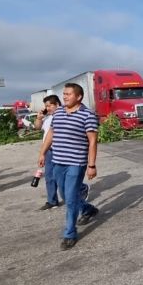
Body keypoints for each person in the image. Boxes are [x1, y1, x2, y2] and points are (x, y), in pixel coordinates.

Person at [38, 83, 100, 250]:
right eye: (64, 94)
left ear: (78, 97)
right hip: (58, 160)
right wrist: (42, 152)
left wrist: (91, 165)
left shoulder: (87, 115)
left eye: (68, 94)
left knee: (70, 199)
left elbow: (93, 141)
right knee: (65, 194)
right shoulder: (58, 112)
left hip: (76, 162)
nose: (65, 97)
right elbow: (51, 133)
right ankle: (88, 209)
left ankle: (69, 234)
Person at [35, 95, 64, 211]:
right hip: (49, 151)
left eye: (49, 105)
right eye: (46, 106)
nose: (47, 108)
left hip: (60, 151)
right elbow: (37, 128)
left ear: (57, 104)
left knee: (62, 177)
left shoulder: (62, 116)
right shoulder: (48, 118)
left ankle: (77, 193)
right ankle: (52, 201)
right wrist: (39, 118)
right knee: (49, 177)